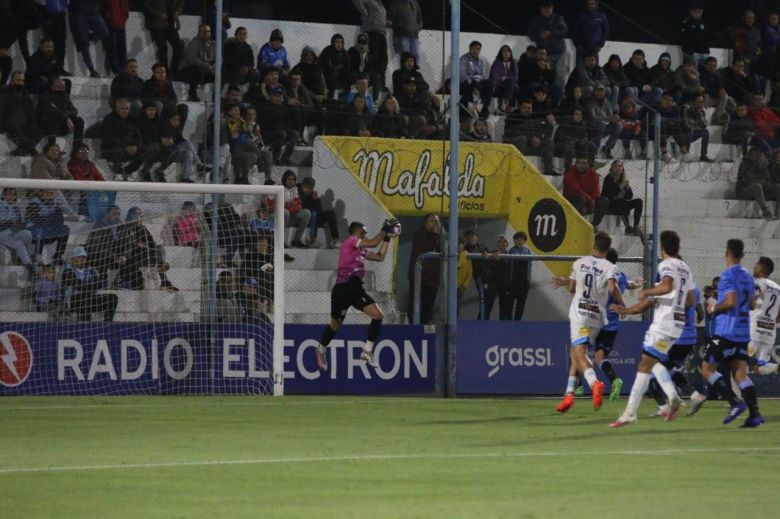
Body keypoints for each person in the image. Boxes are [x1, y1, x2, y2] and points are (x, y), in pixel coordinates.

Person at [608, 230, 692, 427]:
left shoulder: (667, 265)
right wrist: (628, 310)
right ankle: (672, 396)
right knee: (650, 362)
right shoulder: (686, 269)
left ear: (662, 249)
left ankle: (630, 413)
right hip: (678, 324)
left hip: (665, 322)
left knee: (645, 364)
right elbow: (690, 299)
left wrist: (647, 291)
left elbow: (666, 287)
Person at [689, 239, 764, 428]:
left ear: (727, 253)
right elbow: (752, 304)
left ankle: (734, 402)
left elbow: (730, 301)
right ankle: (755, 415)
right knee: (740, 374)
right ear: (742, 254)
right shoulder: (748, 276)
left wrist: (714, 309)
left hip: (726, 332)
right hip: (742, 331)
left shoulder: (727, 275)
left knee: (707, 370)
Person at [551, 231, 623, 413]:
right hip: (597, 317)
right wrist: (622, 304)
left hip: (580, 315)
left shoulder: (579, 263)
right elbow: (613, 289)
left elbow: (574, 289)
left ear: (593, 245)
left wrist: (569, 285)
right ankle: (568, 394)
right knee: (576, 352)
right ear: (607, 249)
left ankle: (593, 383)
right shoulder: (610, 267)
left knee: (579, 353)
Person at [316, 219, 398, 370]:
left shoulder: (361, 250)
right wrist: (385, 229)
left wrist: (387, 238)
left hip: (356, 290)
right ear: (356, 232)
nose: (366, 235)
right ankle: (321, 348)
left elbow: (380, 257)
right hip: (342, 290)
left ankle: (367, 351)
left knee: (378, 315)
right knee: (335, 325)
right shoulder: (350, 241)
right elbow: (373, 243)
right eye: (363, 233)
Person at [115, 206, 178, 292]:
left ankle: (164, 280)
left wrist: (145, 245)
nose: (141, 219)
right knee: (157, 257)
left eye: (141, 217)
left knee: (159, 247)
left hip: (142, 255)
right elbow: (123, 245)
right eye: (139, 217)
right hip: (129, 258)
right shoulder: (123, 228)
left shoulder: (141, 228)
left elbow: (151, 242)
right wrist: (136, 244)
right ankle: (164, 279)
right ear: (133, 217)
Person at [61, 245, 117, 321]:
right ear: (73, 259)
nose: (82, 259)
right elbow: (77, 285)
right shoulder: (68, 270)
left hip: (90, 298)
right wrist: (90, 284)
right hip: (74, 301)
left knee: (112, 297)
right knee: (86, 296)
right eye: (79, 257)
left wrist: (86, 284)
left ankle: (107, 324)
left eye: (83, 257)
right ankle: (86, 324)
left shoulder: (91, 270)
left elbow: (98, 284)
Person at [100, 97, 146, 180]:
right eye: (122, 108)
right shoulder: (109, 119)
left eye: (127, 109)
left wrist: (136, 146)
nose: (125, 111)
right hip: (112, 149)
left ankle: (128, 171)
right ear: (117, 108)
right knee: (118, 150)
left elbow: (138, 136)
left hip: (129, 149)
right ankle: (118, 172)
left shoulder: (133, 120)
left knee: (145, 152)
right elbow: (109, 138)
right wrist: (125, 147)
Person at [749, 257, 780, 376]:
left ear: (761, 268)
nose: (754, 267)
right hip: (769, 332)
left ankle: (734, 394)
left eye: (756, 265)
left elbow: (753, 300)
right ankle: (776, 367)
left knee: (740, 364)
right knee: (759, 369)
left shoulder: (758, 283)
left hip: (754, 331)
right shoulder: (778, 288)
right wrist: (771, 322)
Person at [407, 214, 440, 325]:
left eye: (436, 221)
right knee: (415, 304)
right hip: (418, 276)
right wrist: (436, 235)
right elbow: (425, 249)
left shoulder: (439, 236)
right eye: (431, 221)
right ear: (425, 222)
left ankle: (424, 328)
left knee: (428, 306)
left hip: (433, 278)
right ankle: (413, 328)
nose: (434, 223)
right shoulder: (420, 234)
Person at [528, 0, 568, 85]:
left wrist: (552, 33)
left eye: (549, 8)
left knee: (559, 75)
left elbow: (564, 31)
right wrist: (539, 35)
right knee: (545, 74)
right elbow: (530, 34)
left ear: (552, 8)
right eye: (544, 8)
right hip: (545, 55)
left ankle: (558, 94)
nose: (547, 10)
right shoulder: (536, 20)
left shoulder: (558, 18)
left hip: (559, 53)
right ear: (541, 9)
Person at [351, 0, 388, 93]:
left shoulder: (382, 6)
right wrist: (365, 13)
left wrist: (386, 22)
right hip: (372, 32)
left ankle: (381, 85)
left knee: (383, 60)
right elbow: (356, 1)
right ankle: (370, 83)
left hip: (382, 34)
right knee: (374, 59)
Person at [0, 71, 40, 156]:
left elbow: (30, 110)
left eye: (22, 80)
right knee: (25, 139)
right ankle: (30, 150)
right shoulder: (4, 92)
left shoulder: (25, 93)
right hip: (10, 124)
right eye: (18, 80)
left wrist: (33, 124)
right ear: (12, 80)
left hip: (23, 122)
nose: (21, 83)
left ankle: (19, 152)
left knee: (38, 133)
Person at [36, 76, 85, 144]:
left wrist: (65, 115)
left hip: (63, 124)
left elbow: (74, 111)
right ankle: (51, 146)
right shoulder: (45, 96)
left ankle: (77, 147)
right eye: (59, 87)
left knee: (79, 120)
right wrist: (67, 118)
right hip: (48, 126)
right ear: (52, 87)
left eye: (63, 87)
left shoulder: (65, 96)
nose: (61, 90)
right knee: (52, 119)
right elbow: (52, 111)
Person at [736, 146, 780, 220]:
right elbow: (748, 180)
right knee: (757, 186)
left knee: (777, 186)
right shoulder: (744, 164)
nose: (756, 156)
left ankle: (777, 213)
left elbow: (768, 180)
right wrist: (761, 182)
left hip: (760, 192)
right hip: (744, 191)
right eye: (754, 154)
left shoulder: (762, 165)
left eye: (758, 154)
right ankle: (766, 212)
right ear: (750, 155)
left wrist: (761, 182)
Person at [143, 0, 184, 78]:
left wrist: (178, 9)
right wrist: (158, 14)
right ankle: (164, 73)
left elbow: (180, 2)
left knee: (179, 46)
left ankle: (173, 70)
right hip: (156, 23)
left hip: (171, 22)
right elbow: (145, 6)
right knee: (162, 49)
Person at [563, 157, 609, 228]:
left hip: (588, 200)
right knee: (580, 198)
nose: (581, 165)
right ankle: (578, 225)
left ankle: (593, 225)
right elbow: (577, 190)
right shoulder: (569, 174)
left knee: (604, 201)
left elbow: (596, 191)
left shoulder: (593, 174)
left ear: (587, 164)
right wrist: (590, 200)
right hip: (573, 199)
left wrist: (593, 200)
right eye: (579, 163)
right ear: (575, 164)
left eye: (584, 163)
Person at [68, 0, 108, 77]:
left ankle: (86, 39)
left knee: (104, 33)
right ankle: (91, 70)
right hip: (79, 13)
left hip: (93, 12)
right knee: (84, 45)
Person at [0, 188, 34, 278]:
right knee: (19, 244)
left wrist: (24, 222)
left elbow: (19, 222)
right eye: (9, 194)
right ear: (4, 195)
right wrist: (10, 222)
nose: (11, 197)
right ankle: (29, 265)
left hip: (13, 231)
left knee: (28, 234)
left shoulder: (16, 207)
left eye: (13, 194)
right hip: (2, 233)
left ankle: (20, 257)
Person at [602, 160, 643, 235]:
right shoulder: (608, 178)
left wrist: (627, 187)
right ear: (612, 169)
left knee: (639, 201)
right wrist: (621, 186)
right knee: (621, 202)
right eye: (615, 166)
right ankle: (627, 227)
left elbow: (629, 197)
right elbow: (610, 195)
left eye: (619, 166)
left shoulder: (623, 179)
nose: (618, 168)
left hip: (622, 203)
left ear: (622, 168)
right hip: (611, 204)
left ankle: (635, 226)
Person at [299, 177, 339, 249]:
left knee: (330, 213)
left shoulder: (313, 195)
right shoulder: (298, 193)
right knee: (314, 213)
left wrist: (316, 200)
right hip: (304, 218)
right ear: (302, 186)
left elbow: (320, 210)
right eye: (306, 187)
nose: (308, 190)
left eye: (310, 188)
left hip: (315, 219)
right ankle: (312, 239)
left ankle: (335, 239)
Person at [179, 23, 215, 102]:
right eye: (203, 31)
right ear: (199, 32)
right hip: (186, 71)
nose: (206, 33)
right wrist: (206, 65)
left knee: (217, 73)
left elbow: (215, 58)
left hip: (204, 71)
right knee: (195, 69)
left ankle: (216, 97)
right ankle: (192, 94)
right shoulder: (194, 43)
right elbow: (192, 59)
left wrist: (213, 66)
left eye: (208, 31)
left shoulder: (212, 44)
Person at [458, 41, 493, 117]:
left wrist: (478, 81)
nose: (475, 51)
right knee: (472, 84)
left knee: (489, 83)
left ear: (480, 50)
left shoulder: (483, 59)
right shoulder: (464, 59)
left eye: (477, 49)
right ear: (470, 49)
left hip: (479, 81)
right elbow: (463, 75)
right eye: (473, 49)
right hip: (466, 82)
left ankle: (483, 103)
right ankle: (473, 105)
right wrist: (474, 81)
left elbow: (484, 74)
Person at [572, 0, 608, 67]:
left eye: (593, 4)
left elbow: (605, 32)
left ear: (596, 5)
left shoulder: (602, 16)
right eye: (589, 4)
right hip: (582, 48)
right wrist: (577, 45)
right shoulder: (581, 16)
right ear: (586, 5)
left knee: (595, 70)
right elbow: (575, 32)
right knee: (580, 68)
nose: (591, 5)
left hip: (594, 48)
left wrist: (601, 44)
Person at [483, 236, 512, 320]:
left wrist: (501, 259)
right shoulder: (491, 253)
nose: (502, 243)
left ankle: (503, 327)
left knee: (504, 307)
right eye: (500, 242)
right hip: (492, 284)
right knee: (487, 306)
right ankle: (482, 325)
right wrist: (486, 254)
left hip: (504, 285)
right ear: (497, 244)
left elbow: (509, 266)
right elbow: (485, 265)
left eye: (504, 242)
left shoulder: (510, 255)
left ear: (507, 244)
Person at [281, 170, 311, 247]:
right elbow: (277, 206)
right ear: (284, 179)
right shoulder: (279, 188)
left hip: (291, 217)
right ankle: (280, 241)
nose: (291, 181)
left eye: (293, 180)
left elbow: (299, 205)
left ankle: (296, 240)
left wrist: (290, 205)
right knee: (285, 212)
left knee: (306, 213)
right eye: (289, 179)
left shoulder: (295, 189)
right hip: (280, 219)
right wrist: (289, 205)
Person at [507, 231, 533, 320]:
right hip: (513, 282)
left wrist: (528, 281)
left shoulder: (528, 251)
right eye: (517, 239)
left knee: (521, 304)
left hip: (524, 283)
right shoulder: (511, 251)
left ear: (524, 241)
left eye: (521, 239)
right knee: (509, 304)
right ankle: (509, 323)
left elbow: (529, 267)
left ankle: (518, 322)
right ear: (514, 240)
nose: (519, 241)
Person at [100, 0, 129, 76]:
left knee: (122, 47)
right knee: (112, 47)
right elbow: (100, 6)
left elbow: (125, 6)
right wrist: (108, 16)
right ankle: (116, 69)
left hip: (120, 23)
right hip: (110, 24)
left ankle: (123, 68)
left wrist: (124, 17)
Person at [490, 45, 519, 113]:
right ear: (501, 53)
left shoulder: (513, 63)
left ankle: (506, 102)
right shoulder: (497, 62)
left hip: (510, 86)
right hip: (499, 85)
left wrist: (506, 78)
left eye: (508, 51)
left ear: (510, 53)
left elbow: (515, 77)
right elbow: (495, 76)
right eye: (504, 51)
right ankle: (508, 103)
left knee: (515, 85)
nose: (506, 52)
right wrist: (504, 80)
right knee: (514, 86)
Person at [456, 237, 472, 318]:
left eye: (459, 244)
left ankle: (456, 324)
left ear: (462, 245)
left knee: (457, 308)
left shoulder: (467, 256)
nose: (458, 246)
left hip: (460, 286)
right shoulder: (451, 255)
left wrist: (464, 285)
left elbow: (469, 273)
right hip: (450, 286)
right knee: (447, 307)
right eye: (456, 244)